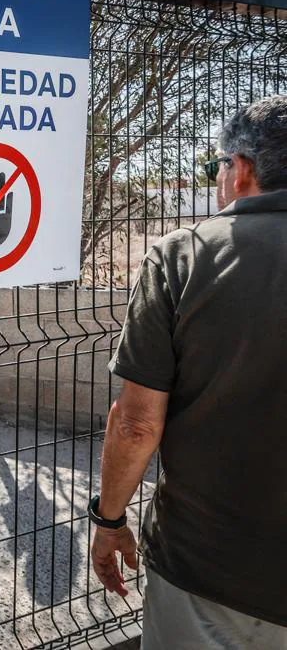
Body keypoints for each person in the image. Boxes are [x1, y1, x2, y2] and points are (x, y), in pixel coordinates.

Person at [88, 95, 287, 649]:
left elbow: (135, 424)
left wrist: (108, 520)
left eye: (217, 165)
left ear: (241, 168)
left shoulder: (184, 256)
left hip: (207, 569)